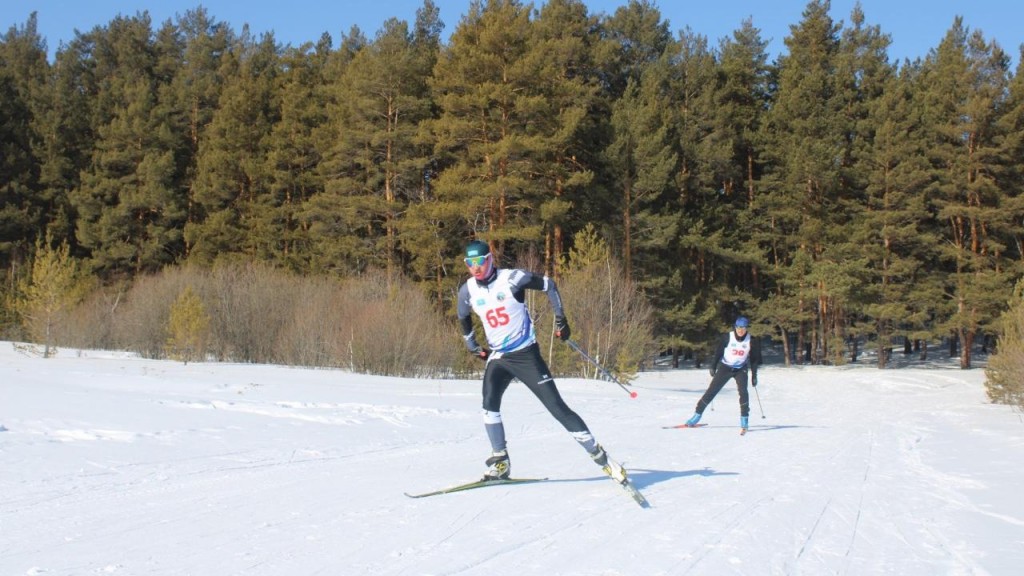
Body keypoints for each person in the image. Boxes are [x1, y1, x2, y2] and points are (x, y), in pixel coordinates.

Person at [456, 239, 628, 483]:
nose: (475, 267)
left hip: (525, 354)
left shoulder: (513, 278)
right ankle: (500, 460)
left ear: (490, 259)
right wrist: (473, 347)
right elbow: (463, 318)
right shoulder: (468, 290)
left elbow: (550, 285)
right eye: (470, 263)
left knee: (557, 408)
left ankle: (601, 457)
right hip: (499, 357)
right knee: (488, 405)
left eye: (480, 262)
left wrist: (561, 320)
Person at [684, 316, 762, 432]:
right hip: (725, 367)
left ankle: (744, 420)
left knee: (743, 393)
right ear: (735, 327)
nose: (740, 330)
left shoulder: (752, 340)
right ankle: (696, 415)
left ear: (747, 328)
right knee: (711, 391)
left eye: (743, 328)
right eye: (738, 327)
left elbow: (755, 359)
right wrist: (713, 366)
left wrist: (754, 375)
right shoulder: (727, 337)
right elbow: (718, 352)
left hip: (740, 369)